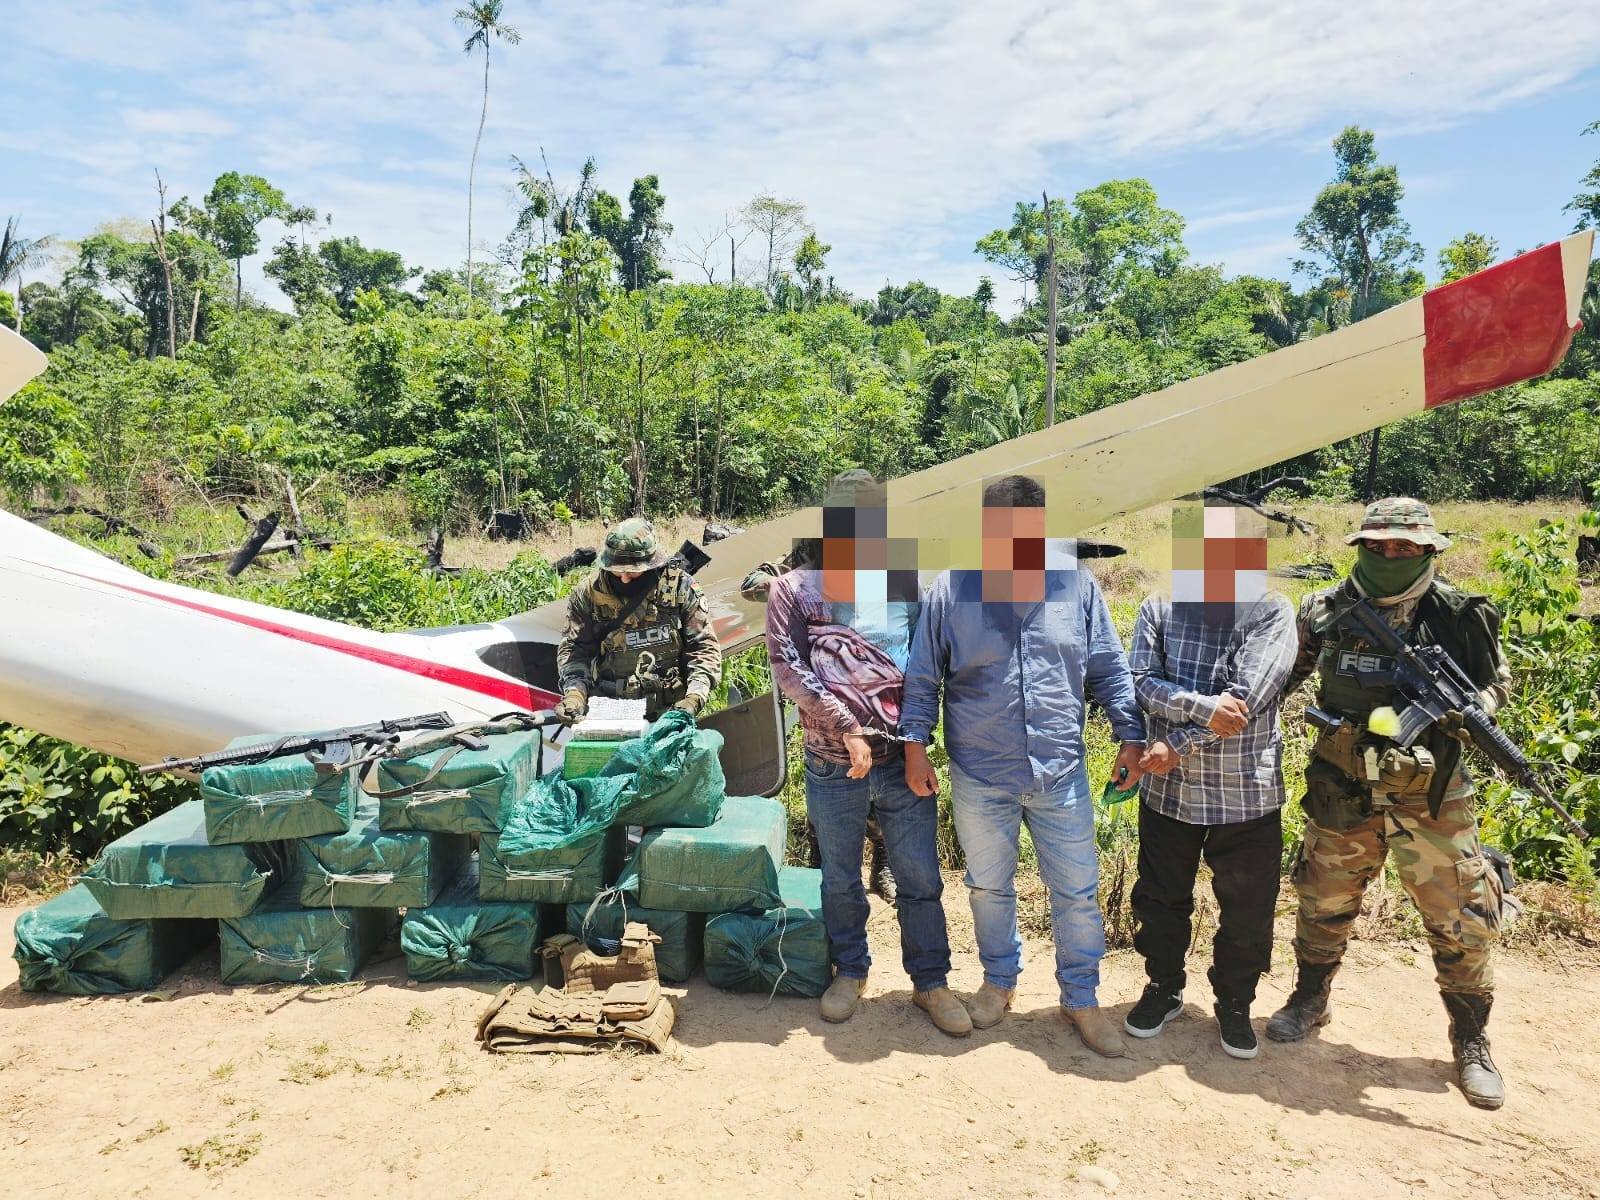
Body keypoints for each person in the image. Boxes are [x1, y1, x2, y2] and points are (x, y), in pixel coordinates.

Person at [1268, 497, 1517, 1109]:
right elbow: (1281, 677)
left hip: (1433, 796)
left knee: (1462, 916)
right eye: (1377, 546)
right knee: (1323, 900)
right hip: (1342, 788)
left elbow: (1498, 683)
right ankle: (1309, 998)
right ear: (1361, 547)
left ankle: (1471, 1037)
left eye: (1404, 547)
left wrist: (1474, 708)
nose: (1389, 555)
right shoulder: (1323, 610)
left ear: (1430, 549)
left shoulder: (1461, 614)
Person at [901, 475, 1145, 1056]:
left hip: (1060, 770)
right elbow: (923, 677)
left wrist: (1130, 736)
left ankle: (1080, 997)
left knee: (1077, 891)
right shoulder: (951, 591)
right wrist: (915, 745)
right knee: (988, 886)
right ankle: (999, 983)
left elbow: (1110, 669)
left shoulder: (1074, 586)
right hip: (981, 771)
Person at [765, 472, 969, 1036]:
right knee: (840, 877)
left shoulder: (905, 579)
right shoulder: (796, 589)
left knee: (920, 877)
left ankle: (930, 982)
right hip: (832, 761)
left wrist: (916, 745)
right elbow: (789, 667)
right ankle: (850, 970)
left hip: (902, 762)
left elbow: (926, 670)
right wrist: (847, 726)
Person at [1124, 503, 1299, 1060]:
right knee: (1159, 899)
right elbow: (1140, 683)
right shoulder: (1160, 607)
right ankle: (1164, 987)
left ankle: (1235, 1002)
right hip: (1167, 795)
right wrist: (1200, 706)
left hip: (1244, 794)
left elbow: (1246, 703)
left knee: (1247, 909)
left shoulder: (1272, 612)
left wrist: (1176, 743)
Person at [744, 537, 898, 903]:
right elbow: (752, 584)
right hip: (823, 708)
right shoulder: (804, 560)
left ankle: (882, 865)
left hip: (875, 702)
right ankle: (823, 874)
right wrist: (782, 588)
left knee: (881, 799)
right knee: (827, 804)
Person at [555, 518, 722, 722]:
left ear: (652, 563)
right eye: (617, 570)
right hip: (612, 709)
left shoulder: (679, 586)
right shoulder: (589, 593)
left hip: (670, 710)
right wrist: (575, 694)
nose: (624, 578)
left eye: (633, 571)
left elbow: (702, 648)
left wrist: (695, 697)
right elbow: (575, 651)